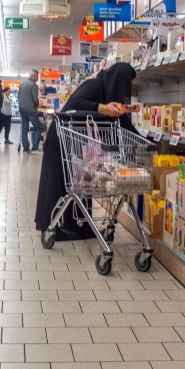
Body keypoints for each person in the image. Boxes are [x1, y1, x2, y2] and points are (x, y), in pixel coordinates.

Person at [34, 63, 139, 240]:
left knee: (81, 182)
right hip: (61, 135)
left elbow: (123, 124)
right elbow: (74, 102)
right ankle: (54, 225)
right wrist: (103, 108)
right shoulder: (95, 85)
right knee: (59, 179)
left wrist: (145, 142)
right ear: (117, 79)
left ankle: (78, 225)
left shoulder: (110, 94)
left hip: (75, 137)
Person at [18, 69, 43, 153]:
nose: (38, 78)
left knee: (24, 128)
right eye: (37, 76)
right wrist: (37, 105)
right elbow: (35, 99)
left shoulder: (22, 84)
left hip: (22, 109)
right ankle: (35, 147)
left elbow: (19, 97)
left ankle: (26, 148)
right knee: (38, 128)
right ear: (33, 76)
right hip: (31, 110)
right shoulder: (33, 85)